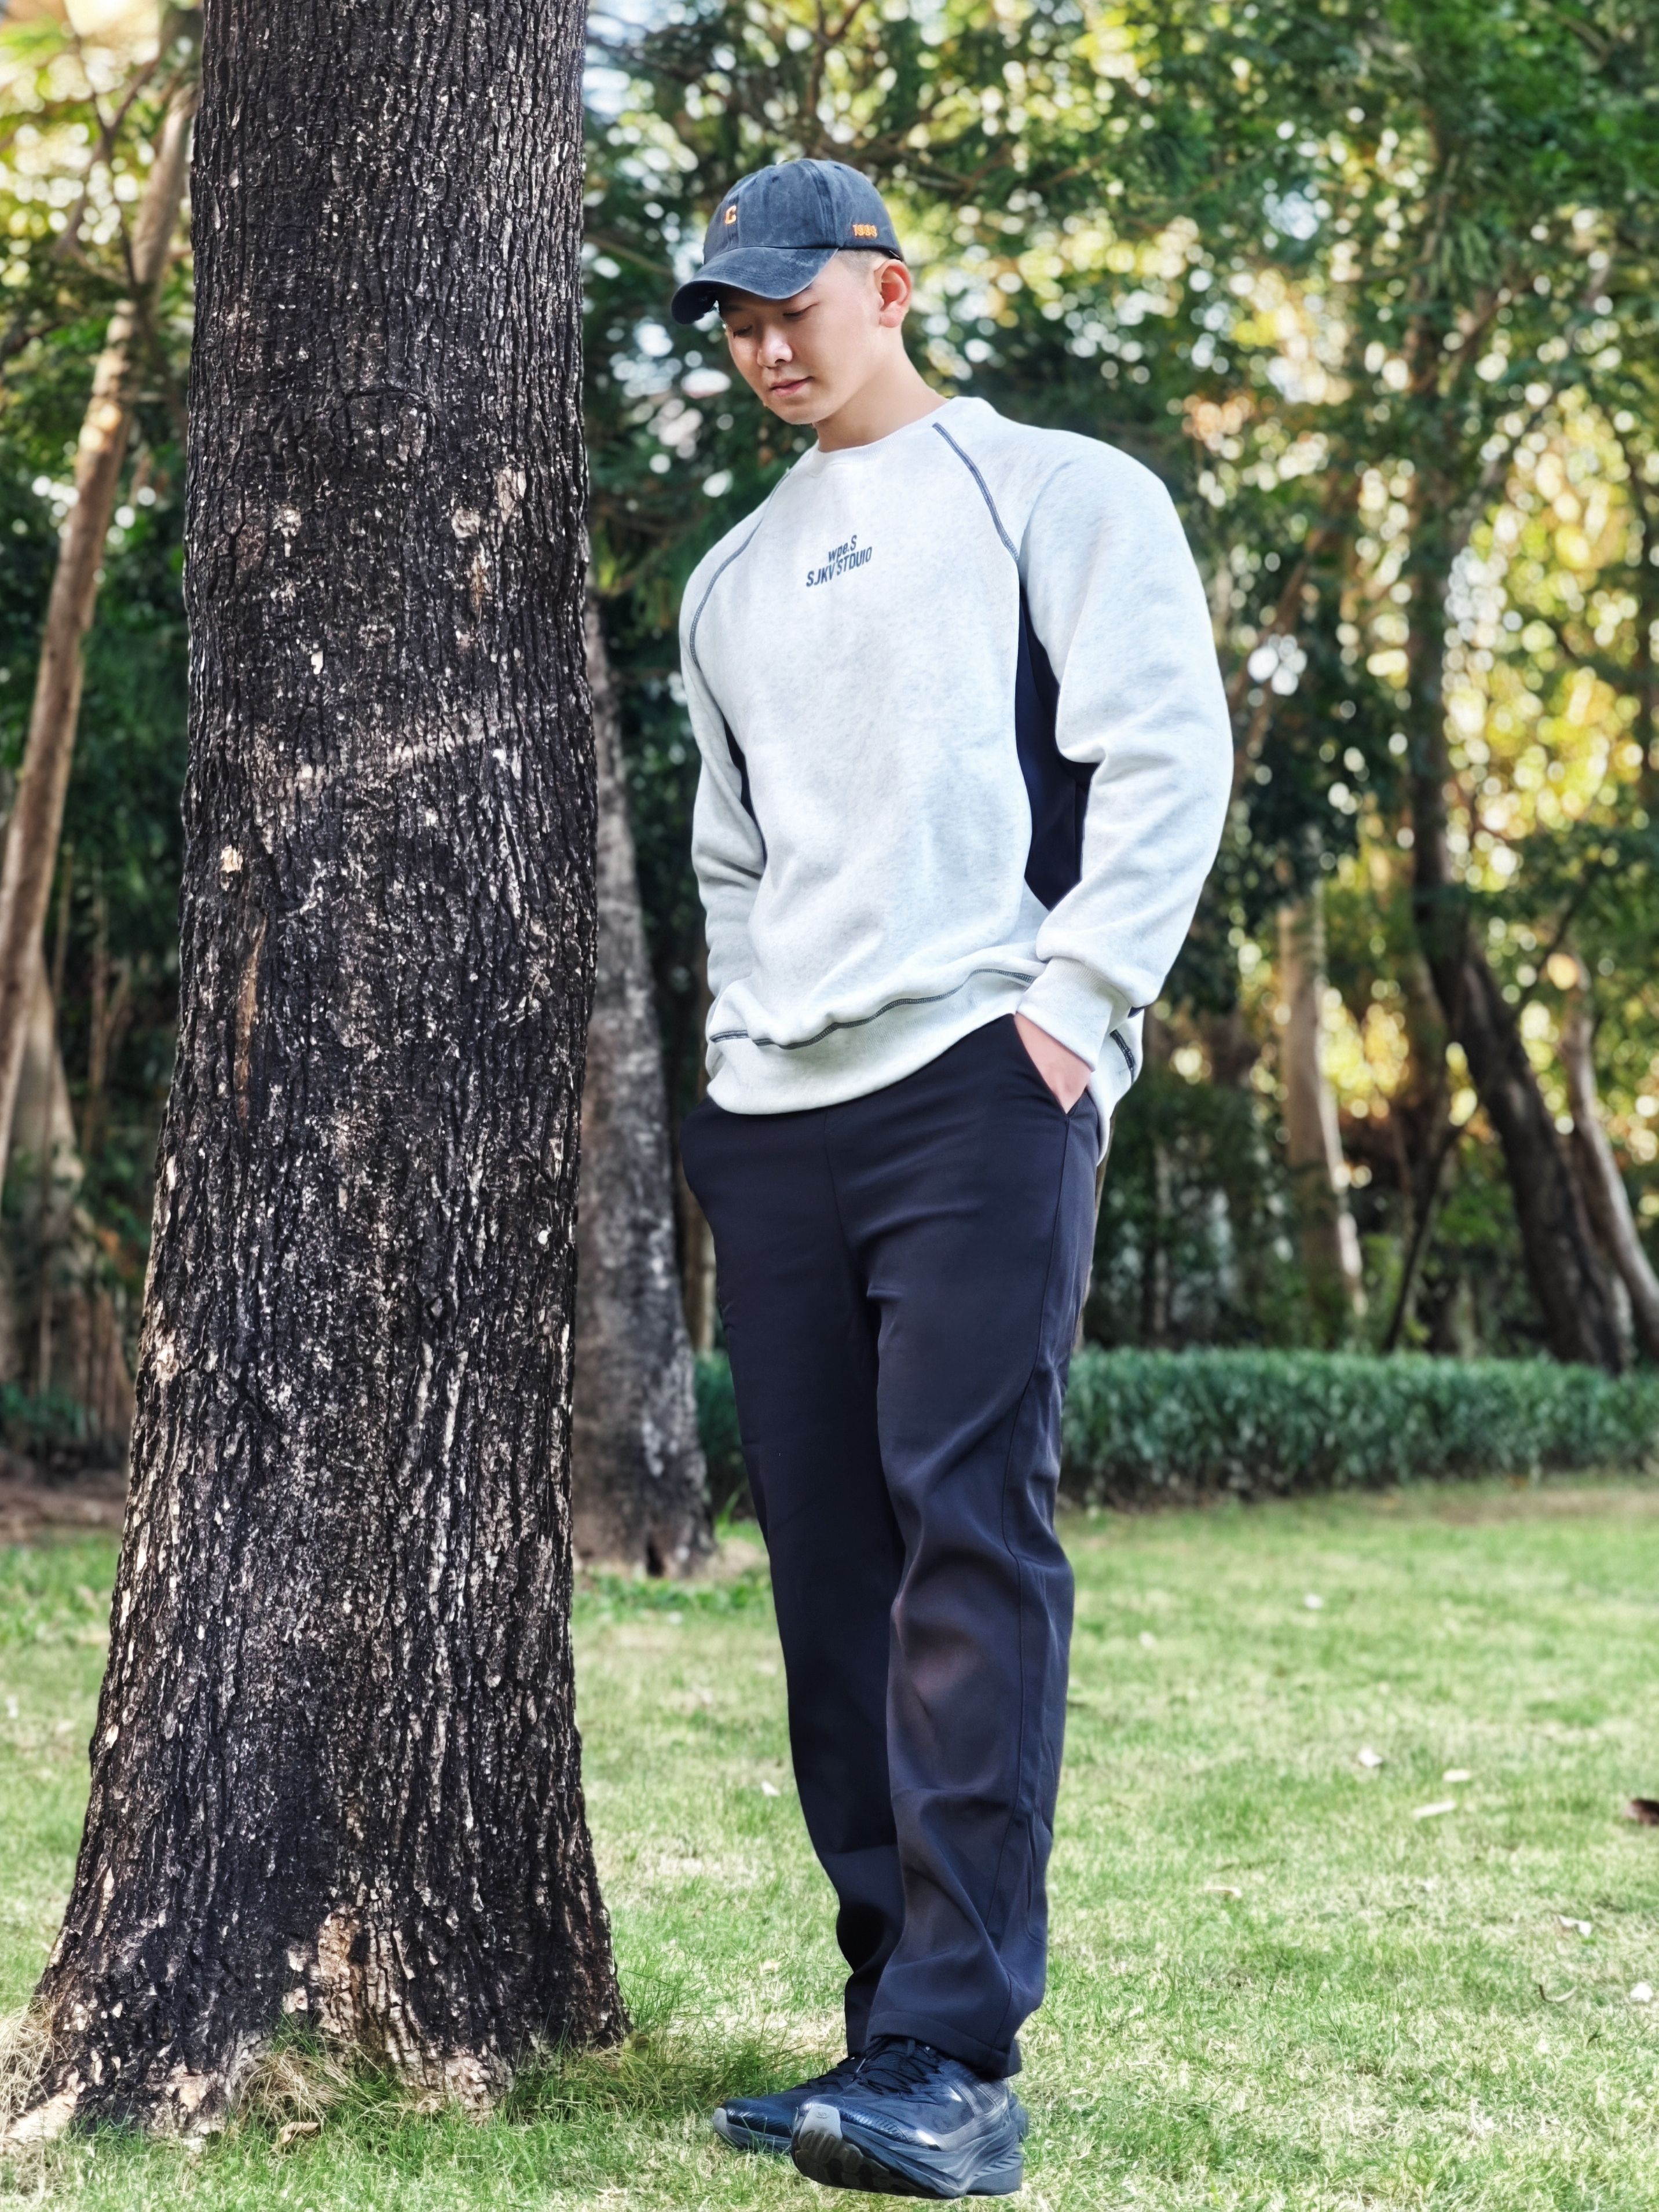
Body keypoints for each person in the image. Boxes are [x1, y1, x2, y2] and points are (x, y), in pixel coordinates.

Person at [672, 157, 1232, 2199]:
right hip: (780, 1117)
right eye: (734, 321)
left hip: (980, 1080)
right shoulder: (726, 583)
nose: (764, 345)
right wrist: (734, 1067)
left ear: (887, 287)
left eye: (791, 305)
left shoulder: (1054, 490)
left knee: (963, 1542)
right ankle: (878, 2021)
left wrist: (1071, 1014)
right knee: (830, 1570)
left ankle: (955, 2048)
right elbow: (731, 854)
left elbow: (1164, 749)